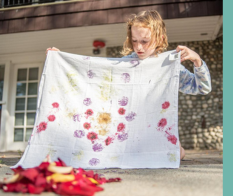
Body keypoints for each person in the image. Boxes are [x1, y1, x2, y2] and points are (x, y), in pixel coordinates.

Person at [49, 10, 212, 159]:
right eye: (134, 41)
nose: (139, 47)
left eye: (145, 41)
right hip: (125, 132)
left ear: (160, 39)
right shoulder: (125, 64)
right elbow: (93, 74)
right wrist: (61, 59)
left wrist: (197, 60)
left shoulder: (168, 65)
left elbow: (202, 88)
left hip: (155, 132)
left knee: (178, 153)